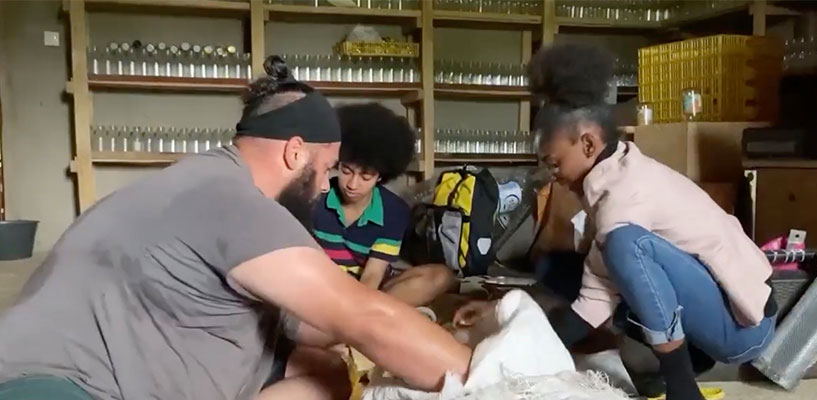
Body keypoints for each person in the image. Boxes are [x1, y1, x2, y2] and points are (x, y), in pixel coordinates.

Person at [0, 56, 471, 400]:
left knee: (326, 373)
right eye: (329, 169)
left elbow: (312, 325)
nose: (329, 184)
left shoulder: (201, 178)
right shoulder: (234, 202)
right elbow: (366, 317)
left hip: (72, 361)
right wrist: (490, 373)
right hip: (56, 384)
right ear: (295, 153)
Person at [454, 43, 777, 400]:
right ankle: (664, 370)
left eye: (555, 163)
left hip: (742, 327)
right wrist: (505, 323)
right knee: (559, 268)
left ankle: (683, 387)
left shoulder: (625, 196)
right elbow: (593, 298)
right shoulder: (611, 181)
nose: (552, 175)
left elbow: (616, 260)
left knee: (625, 246)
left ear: (589, 144)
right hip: (713, 309)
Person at [312, 103, 455, 307]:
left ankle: (363, 320)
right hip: (325, 289)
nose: (352, 184)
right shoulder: (315, 198)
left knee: (441, 276)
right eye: (346, 171)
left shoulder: (394, 211)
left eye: (366, 176)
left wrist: (359, 306)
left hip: (371, 290)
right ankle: (372, 319)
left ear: (380, 176)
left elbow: (373, 274)